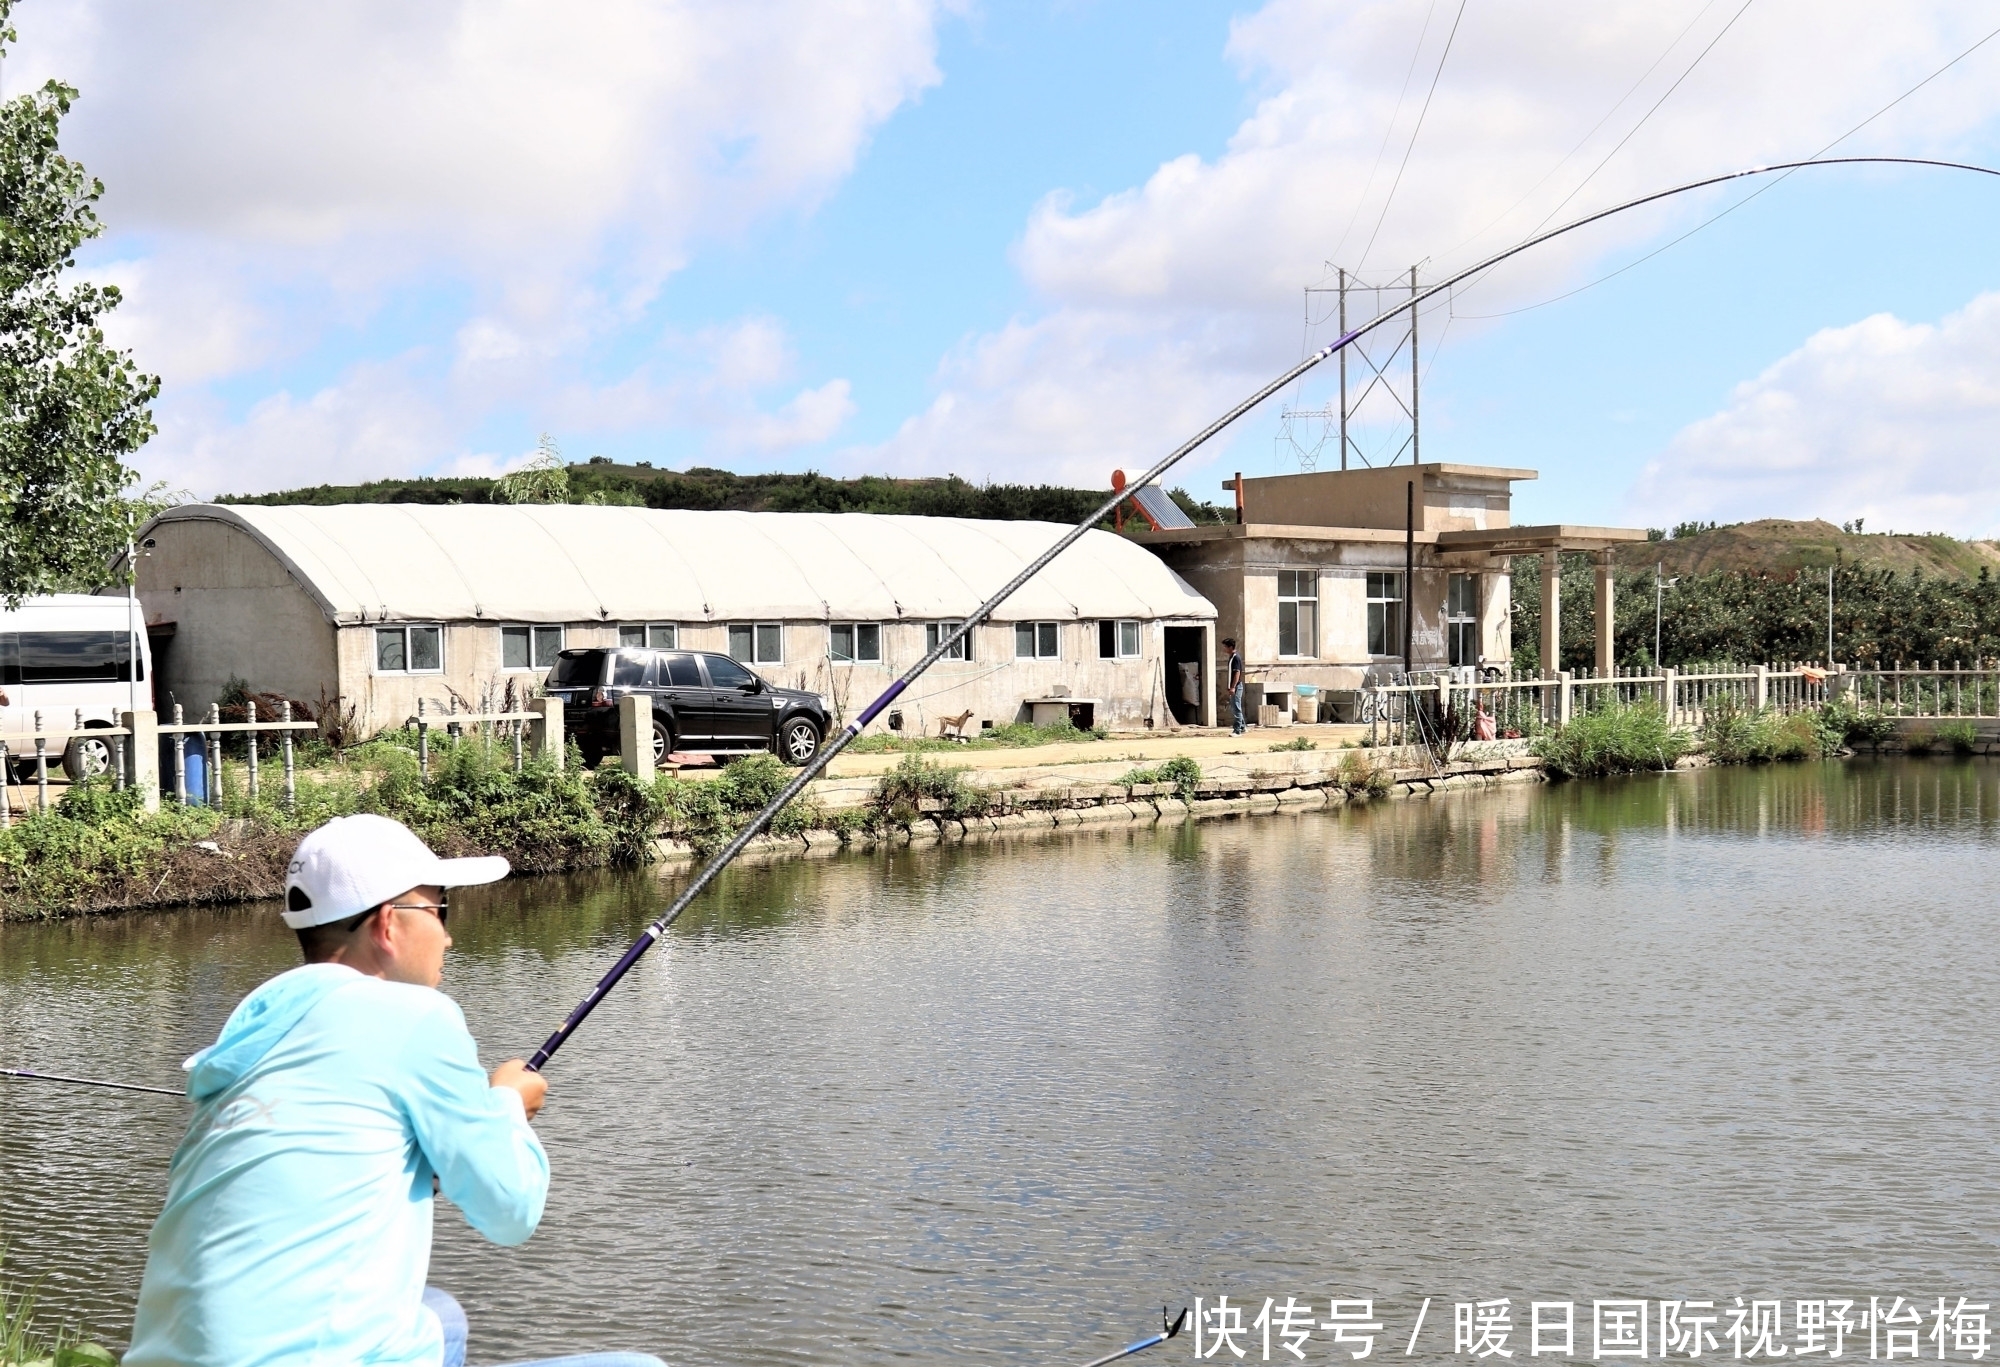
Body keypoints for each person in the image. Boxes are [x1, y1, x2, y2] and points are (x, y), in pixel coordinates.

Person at [125, 814, 665, 1367]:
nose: (449, 934)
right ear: (389, 924)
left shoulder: (253, 1032)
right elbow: (510, 1209)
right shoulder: (414, 1016)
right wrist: (506, 1104)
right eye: (439, 909)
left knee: (439, 1316)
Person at [1224, 637, 1246, 734]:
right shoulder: (1232, 657)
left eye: (1225, 647)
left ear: (1231, 647)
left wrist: (1233, 687)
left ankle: (1237, 730)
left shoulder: (1236, 658)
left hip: (1236, 687)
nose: (1224, 649)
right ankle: (1242, 726)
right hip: (1233, 686)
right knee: (1235, 707)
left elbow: (1237, 673)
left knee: (1236, 708)